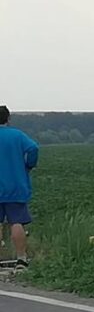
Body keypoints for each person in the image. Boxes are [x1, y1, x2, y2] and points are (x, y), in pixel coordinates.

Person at [0, 105, 39, 271]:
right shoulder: (17, 135)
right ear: (8, 119)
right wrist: (29, 165)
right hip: (15, 185)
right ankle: (21, 260)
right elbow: (33, 148)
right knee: (17, 222)